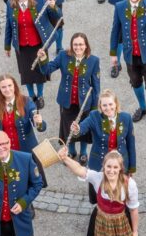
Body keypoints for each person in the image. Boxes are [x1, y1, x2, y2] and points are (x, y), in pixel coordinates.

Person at [38, 32, 100, 166]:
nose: (78, 47)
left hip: (85, 102)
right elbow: (47, 70)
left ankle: (83, 153)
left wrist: (95, 106)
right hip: (66, 101)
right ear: (72, 45)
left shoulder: (93, 60)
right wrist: (43, 59)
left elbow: (96, 85)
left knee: (84, 129)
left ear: (86, 45)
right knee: (68, 128)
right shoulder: (63, 56)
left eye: (81, 44)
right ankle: (71, 151)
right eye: (75, 44)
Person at [71, 89, 137, 204]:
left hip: (120, 162)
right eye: (104, 105)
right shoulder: (94, 116)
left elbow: (131, 143)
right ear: (100, 106)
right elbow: (82, 128)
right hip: (99, 162)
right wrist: (77, 129)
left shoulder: (126, 118)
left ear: (116, 104)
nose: (108, 108)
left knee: (120, 191)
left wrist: (132, 167)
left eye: (110, 104)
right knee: (99, 190)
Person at [3, 0, 59, 107]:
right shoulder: (10, 4)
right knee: (26, 73)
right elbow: (9, 26)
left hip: (38, 44)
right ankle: (31, 95)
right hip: (22, 47)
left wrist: (53, 6)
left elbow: (56, 17)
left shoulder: (39, 1)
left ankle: (40, 95)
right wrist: (7, 46)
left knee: (39, 72)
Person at [0, 74, 46, 165]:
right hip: (5, 150)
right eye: (3, 87)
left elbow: (39, 125)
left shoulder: (26, 101)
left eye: (9, 85)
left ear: (14, 86)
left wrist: (39, 122)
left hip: (26, 149)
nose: (7, 89)